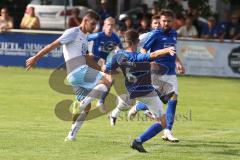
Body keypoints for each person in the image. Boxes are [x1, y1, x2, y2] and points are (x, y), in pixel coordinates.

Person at [25, 11, 112, 141]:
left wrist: (100, 68)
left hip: (74, 75)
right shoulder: (73, 32)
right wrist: (36, 58)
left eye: (96, 25)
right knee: (108, 80)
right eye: (92, 24)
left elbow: (87, 58)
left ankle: (71, 135)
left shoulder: (86, 37)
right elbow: (53, 45)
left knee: (86, 108)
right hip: (78, 71)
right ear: (85, 21)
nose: (94, 27)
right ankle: (84, 102)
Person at [105, 30, 176, 152]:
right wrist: (167, 50)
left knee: (157, 94)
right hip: (147, 92)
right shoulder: (137, 56)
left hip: (132, 91)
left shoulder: (118, 56)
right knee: (163, 122)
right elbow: (153, 55)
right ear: (137, 41)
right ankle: (138, 141)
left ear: (126, 41)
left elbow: (108, 70)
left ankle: (143, 108)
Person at [131, 9, 185, 143]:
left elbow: (173, 50)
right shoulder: (155, 34)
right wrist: (147, 62)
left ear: (173, 21)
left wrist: (178, 63)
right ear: (160, 21)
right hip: (156, 72)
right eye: (164, 21)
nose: (166, 23)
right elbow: (144, 50)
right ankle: (138, 107)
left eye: (169, 21)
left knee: (173, 98)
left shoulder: (174, 34)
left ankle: (168, 131)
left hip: (171, 72)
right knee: (156, 99)